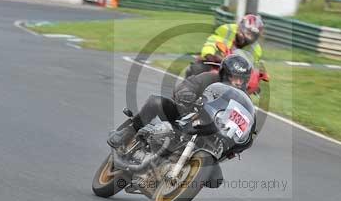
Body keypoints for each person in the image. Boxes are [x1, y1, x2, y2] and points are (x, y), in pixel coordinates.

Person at [108, 54, 253, 148]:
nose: (238, 82)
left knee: (215, 177)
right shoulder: (209, 78)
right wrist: (186, 95)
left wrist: (248, 134)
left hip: (210, 131)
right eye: (235, 77)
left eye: (242, 79)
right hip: (184, 116)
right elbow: (189, 85)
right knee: (156, 102)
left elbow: (245, 118)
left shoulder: (241, 98)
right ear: (225, 74)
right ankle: (127, 133)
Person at [186, 13, 264, 78]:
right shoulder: (227, 30)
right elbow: (212, 42)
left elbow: (253, 65)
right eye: (248, 33)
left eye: (253, 35)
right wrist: (209, 54)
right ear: (241, 28)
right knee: (197, 69)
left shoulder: (256, 49)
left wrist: (258, 75)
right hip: (215, 62)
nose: (250, 37)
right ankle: (185, 93)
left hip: (235, 74)